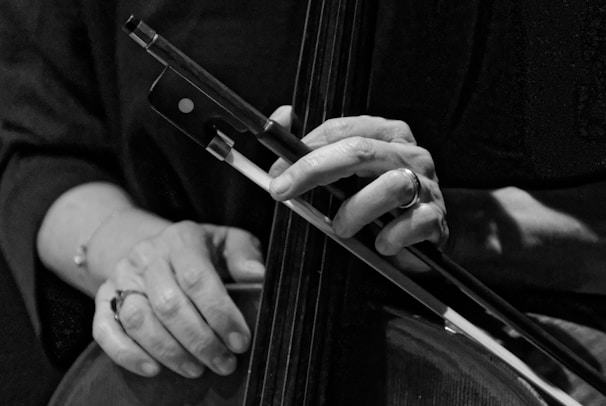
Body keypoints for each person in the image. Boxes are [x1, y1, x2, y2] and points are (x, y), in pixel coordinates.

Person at [1, 0, 605, 404]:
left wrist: (467, 230)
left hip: (512, 350)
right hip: (215, 364)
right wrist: (135, 249)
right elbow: (38, 146)